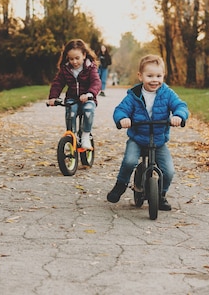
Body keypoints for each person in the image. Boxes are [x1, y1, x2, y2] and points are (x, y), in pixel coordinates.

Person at [107, 54, 189, 211]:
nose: (154, 80)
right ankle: (121, 184)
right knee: (130, 161)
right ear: (140, 76)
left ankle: (161, 195)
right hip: (137, 138)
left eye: (159, 76)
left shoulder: (167, 94)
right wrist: (123, 119)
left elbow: (181, 105)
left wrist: (179, 115)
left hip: (158, 140)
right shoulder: (134, 96)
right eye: (149, 75)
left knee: (169, 170)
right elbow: (120, 110)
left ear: (163, 76)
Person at [48, 39, 102, 149]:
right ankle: (71, 136)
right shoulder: (66, 69)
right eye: (71, 59)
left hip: (88, 98)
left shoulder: (90, 68)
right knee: (71, 112)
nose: (74, 62)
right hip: (72, 98)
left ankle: (86, 135)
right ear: (67, 57)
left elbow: (96, 82)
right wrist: (53, 97)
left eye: (77, 58)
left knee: (88, 110)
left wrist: (90, 93)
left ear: (84, 55)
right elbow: (58, 83)